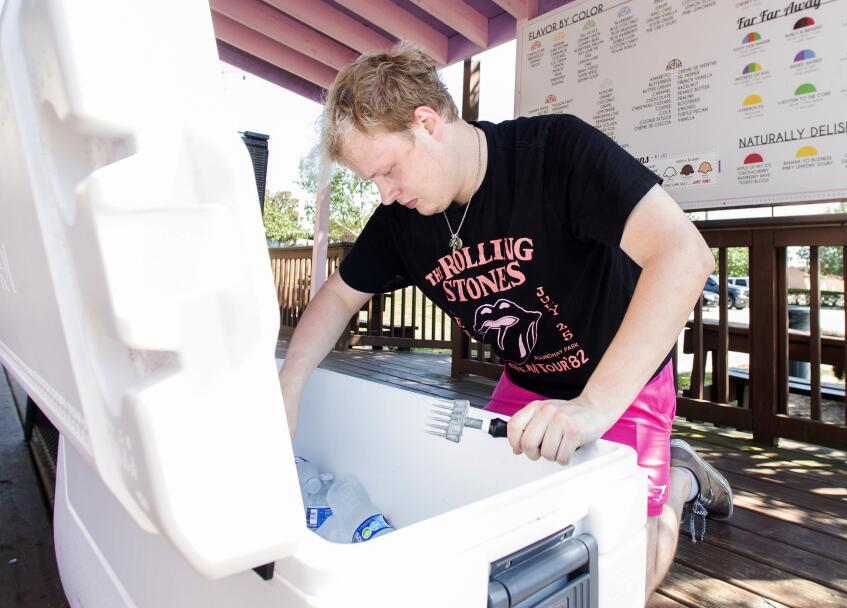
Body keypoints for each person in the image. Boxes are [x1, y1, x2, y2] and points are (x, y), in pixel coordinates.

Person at [278, 43, 733, 600]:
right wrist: (290, 385)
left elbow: (685, 255)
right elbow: (338, 298)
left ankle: (681, 483)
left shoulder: (555, 152)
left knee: (622, 577)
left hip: (622, 377)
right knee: (488, 532)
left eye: (390, 170)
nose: (386, 193)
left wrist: (593, 408)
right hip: (526, 381)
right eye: (373, 180)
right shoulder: (400, 219)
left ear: (427, 123)